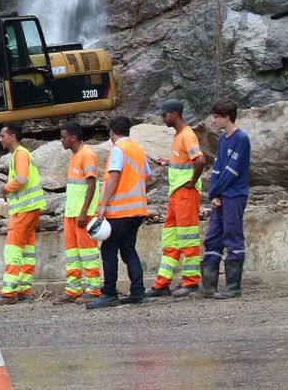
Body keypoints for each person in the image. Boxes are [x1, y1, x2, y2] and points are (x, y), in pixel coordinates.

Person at [87, 115, 151, 310]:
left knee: (108, 250)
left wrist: (103, 204)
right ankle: (138, 292)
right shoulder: (138, 150)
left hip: (119, 211)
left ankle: (109, 293)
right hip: (137, 209)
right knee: (129, 249)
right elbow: (147, 175)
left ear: (111, 132)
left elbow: (113, 176)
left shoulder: (118, 149)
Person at [146, 100, 206, 298]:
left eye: (164, 115)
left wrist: (191, 182)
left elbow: (200, 160)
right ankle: (162, 284)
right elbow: (186, 161)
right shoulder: (180, 136)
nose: (163, 119)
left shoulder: (187, 135)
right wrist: (168, 163)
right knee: (171, 239)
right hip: (176, 194)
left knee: (188, 238)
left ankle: (191, 282)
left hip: (185, 193)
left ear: (174, 114)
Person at [202, 100, 250, 299]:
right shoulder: (223, 139)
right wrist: (215, 193)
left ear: (226, 117)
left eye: (215, 117)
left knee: (232, 235)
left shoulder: (241, 139)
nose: (213, 121)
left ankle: (233, 287)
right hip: (221, 196)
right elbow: (218, 169)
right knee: (213, 236)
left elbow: (231, 172)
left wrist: (214, 192)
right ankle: (209, 285)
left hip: (234, 195)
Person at [0, 123, 45, 304]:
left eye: (2, 136)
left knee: (13, 249)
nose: (0, 139)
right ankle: (23, 288)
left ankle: (8, 292)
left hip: (24, 210)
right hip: (30, 209)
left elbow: (21, 179)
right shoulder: (21, 153)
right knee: (27, 249)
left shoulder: (20, 154)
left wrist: (5, 187)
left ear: (12, 137)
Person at [59, 121, 102, 302]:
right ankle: (73, 289)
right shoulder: (75, 155)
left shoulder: (87, 155)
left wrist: (84, 211)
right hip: (72, 214)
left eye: (63, 137)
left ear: (73, 138)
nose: (61, 140)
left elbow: (91, 183)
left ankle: (93, 290)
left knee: (88, 252)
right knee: (72, 253)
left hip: (83, 214)